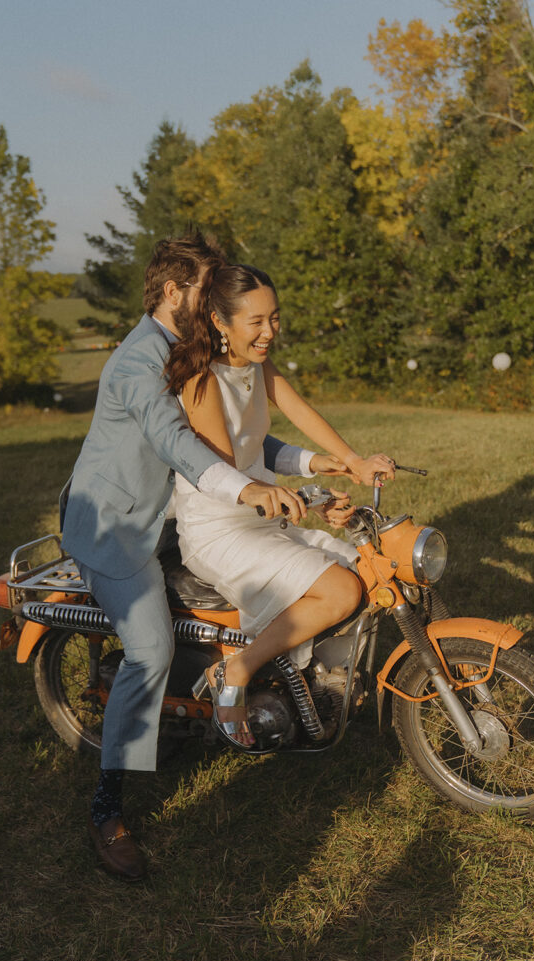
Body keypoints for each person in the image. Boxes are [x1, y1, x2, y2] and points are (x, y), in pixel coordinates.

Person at [61, 235, 326, 881]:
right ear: (173, 291)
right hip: (119, 528)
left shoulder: (197, 350)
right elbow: (176, 442)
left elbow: (241, 438)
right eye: (207, 291)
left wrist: (314, 466)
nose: (216, 305)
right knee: (149, 649)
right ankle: (106, 810)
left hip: (179, 519)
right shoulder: (138, 362)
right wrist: (249, 489)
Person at [165, 263, 396, 747]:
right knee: (339, 591)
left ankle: (322, 685)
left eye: (274, 318)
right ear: (219, 321)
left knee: (366, 572)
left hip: (260, 519)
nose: (270, 331)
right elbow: (227, 472)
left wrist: (349, 461)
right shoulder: (202, 380)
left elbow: (292, 417)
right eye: (257, 321)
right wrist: (306, 499)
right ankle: (237, 670)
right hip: (219, 529)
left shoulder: (255, 364)